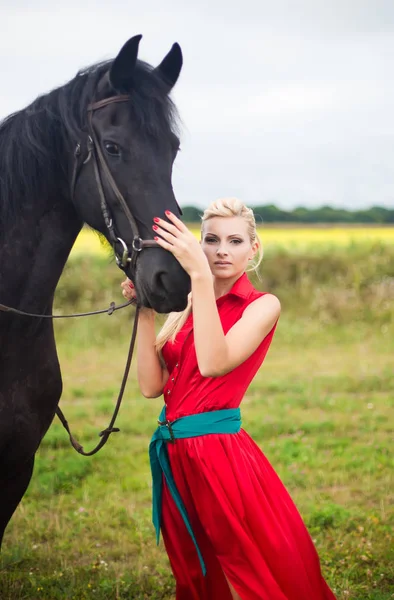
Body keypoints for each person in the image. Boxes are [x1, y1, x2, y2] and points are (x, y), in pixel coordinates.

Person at [121, 198, 336, 600]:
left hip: (217, 454)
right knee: (193, 564)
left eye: (235, 241)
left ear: (253, 249)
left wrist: (199, 278)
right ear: (198, 245)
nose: (221, 250)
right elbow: (152, 387)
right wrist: (145, 310)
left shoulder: (262, 305)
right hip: (174, 453)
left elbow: (214, 363)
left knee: (254, 562)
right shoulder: (185, 306)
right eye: (211, 240)